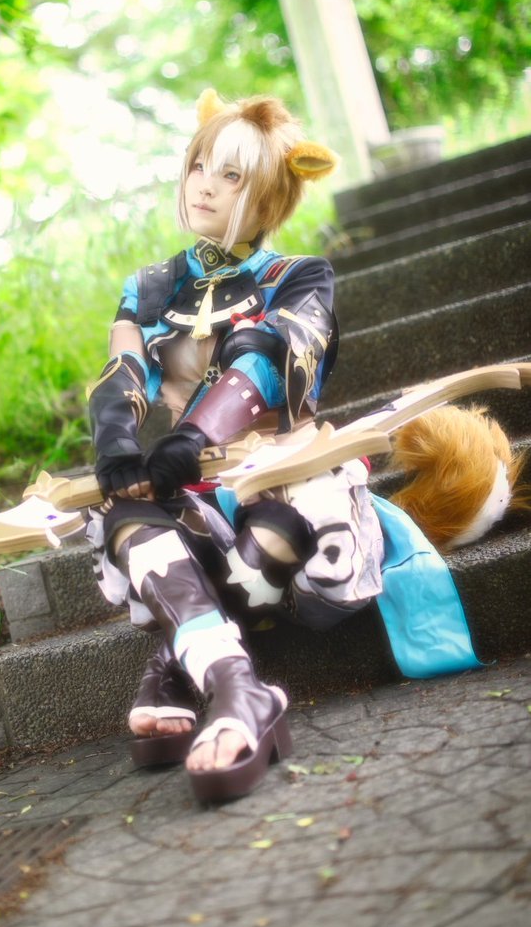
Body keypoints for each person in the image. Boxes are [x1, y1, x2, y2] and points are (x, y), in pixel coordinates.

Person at [85, 88, 382, 803]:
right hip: (193, 486)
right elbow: (124, 366)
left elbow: (269, 354)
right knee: (129, 519)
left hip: (286, 472)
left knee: (274, 530)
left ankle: (170, 668)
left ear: (269, 192)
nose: (205, 187)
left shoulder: (299, 276)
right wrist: (117, 444)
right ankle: (238, 687)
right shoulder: (151, 285)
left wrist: (194, 434)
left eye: (231, 175)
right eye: (198, 166)